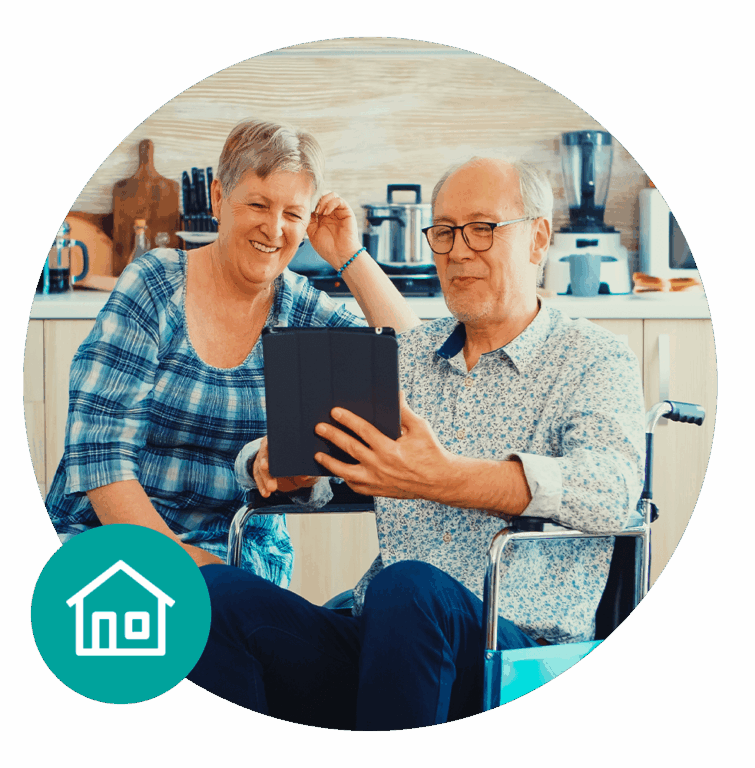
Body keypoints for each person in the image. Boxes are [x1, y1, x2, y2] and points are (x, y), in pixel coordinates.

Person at [187, 156, 646, 730]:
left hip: (512, 651)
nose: (457, 251)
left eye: (482, 229)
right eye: (445, 232)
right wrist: (278, 463)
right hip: (383, 635)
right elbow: (326, 464)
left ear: (538, 238)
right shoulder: (407, 355)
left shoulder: (593, 358)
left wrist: (445, 477)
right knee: (207, 598)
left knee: (408, 588)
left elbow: (612, 490)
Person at [44, 118, 419, 575]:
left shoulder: (301, 310)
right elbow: (102, 459)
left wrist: (350, 257)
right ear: (219, 198)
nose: (274, 229)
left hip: (237, 550)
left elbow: (416, 365)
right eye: (258, 204)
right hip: (114, 537)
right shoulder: (155, 284)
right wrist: (182, 571)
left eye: (293, 214)